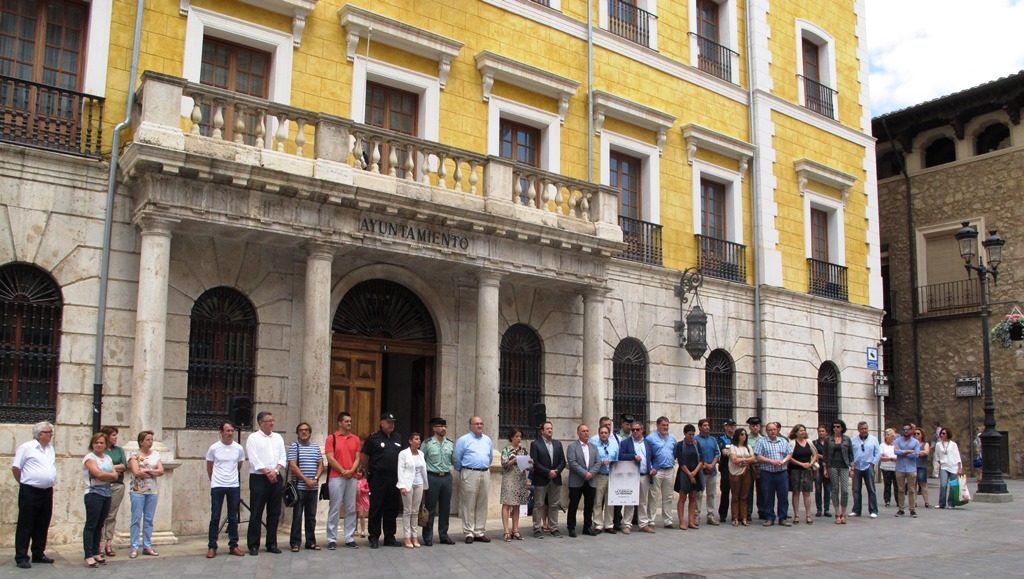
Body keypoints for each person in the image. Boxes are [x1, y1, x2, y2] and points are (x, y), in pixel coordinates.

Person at [11, 421, 57, 569]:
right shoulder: (27, 447)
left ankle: (38, 552)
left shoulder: (50, 448)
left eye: (51, 432)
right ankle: (21, 556)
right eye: (48, 432)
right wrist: (24, 482)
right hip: (30, 490)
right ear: (39, 434)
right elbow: (16, 468)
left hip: (46, 490)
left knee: (43, 522)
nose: (50, 435)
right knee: (26, 523)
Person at [361, 412, 405, 549]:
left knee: (391, 508)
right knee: (376, 508)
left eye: (393, 422)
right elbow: (364, 456)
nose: (391, 425)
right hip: (378, 477)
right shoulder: (373, 438)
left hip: (394, 478)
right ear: (382, 423)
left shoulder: (398, 437)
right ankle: (374, 537)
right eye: (388, 422)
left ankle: (389, 536)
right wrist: (367, 472)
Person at [245, 411, 287, 555]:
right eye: (269, 421)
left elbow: (282, 457)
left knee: (274, 512)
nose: (272, 423)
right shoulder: (253, 438)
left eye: (272, 420)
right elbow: (253, 458)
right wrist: (266, 471)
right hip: (259, 478)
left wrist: (275, 471)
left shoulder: (278, 437)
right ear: (261, 423)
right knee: (256, 512)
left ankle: (271, 543)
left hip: (275, 477)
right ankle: (253, 544)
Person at [206, 421, 246, 558]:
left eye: (231, 431)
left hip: (233, 485)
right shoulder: (214, 448)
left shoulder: (239, 448)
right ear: (221, 432)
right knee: (215, 516)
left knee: (233, 517)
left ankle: (233, 545)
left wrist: (231, 477)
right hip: (217, 485)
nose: (230, 433)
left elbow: (239, 465)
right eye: (227, 431)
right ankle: (212, 546)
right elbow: (209, 466)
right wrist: (214, 479)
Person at [325, 411, 362, 550]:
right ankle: (331, 538)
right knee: (334, 508)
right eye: (346, 421)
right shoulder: (332, 438)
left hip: (351, 477)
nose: (349, 423)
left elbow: (357, 457)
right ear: (340, 423)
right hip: (336, 477)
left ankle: (350, 537)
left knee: (351, 507)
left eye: (350, 421)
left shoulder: (355, 439)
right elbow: (330, 457)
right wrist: (342, 470)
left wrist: (351, 470)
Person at [454, 416, 494, 543]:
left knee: (482, 503)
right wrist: (464, 470)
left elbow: (491, 457)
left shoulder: (487, 440)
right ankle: (469, 532)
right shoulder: (463, 440)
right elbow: (456, 458)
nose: (479, 426)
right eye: (476, 424)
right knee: (468, 503)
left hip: (485, 472)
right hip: (469, 472)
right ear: (470, 425)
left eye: (481, 423)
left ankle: (479, 531)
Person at [82, 432, 117, 568]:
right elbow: (97, 474)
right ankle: (88, 554)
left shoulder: (108, 458)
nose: (99, 445)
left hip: (107, 493)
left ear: (105, 444)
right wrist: (108, 475)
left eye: (101, 442)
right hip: (94, 493)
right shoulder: (89, 458)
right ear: (92, 444)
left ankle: (97, 551)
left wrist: (105, 475)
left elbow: (115, 475)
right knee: (91, 524)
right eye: (96, 442)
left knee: (100, 524)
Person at [128, 430, 164, 558]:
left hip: (152, 490)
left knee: (149, 519)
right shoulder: (134, 455)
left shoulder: (155, 454)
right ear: (141, 441)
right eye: (148, 439)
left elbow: (161, 470)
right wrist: (152, 472)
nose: (150, 442)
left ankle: (147, 545)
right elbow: (136, 472)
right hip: (137, 490)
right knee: (136, 518)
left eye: (151, 439)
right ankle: (134, 546)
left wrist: (148, 470)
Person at [288, 421, 323, 551]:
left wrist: (315, 478)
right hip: (300, 488)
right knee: (297, 516)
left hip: (313, 488)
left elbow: (320, 464)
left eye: (307, 430)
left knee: (311, 517)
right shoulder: (294, 447)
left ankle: (311, 542)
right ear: (297, 433)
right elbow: (293, 465)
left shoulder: (315, 447)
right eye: (301, 430)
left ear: (310, 432)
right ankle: (295, 543)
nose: (304, 432)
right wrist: (305, 480)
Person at [420, 416, 455, 546]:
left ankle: (443, 535)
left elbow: (453, 460)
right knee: (430, 508)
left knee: (445, 508)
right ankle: (428, 536)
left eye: (445, 426)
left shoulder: (450, 444)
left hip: (446, 477)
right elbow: (421, 461)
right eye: (440, 426)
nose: (443, 429)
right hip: (432, 477)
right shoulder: (427, 443)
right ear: (434, 428)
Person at [617, 419, 655, 534]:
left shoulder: (648, 443)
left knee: (643, 501)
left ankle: (643, 523)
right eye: (633, 430)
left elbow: (652, 458)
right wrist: (633, 456)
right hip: (631, 475)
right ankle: (627, 524)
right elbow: (621, 456)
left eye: (637, 430)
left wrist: (653, 468)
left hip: (645, 475)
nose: (635, 432)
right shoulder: (625, 443)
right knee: (630, 500)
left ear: (642, 430)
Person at [530, 420, 566, 538]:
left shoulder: (558, 444)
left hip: (555, 478)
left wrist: (556, 471)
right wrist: (547, 472)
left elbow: (562, 461)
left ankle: (554, 528)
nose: (550, 430)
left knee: (554, 504)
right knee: (539, 504)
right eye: (547, 429)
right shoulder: (535, 444)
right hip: (541, 478)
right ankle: (537, 528)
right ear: (542, 431)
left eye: (551, 428)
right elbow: (535, 462)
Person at [565, 423, 601, 537]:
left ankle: (587, 527)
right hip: (577, 481)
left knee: (589, 505)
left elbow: (598, 462)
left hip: (591, 480)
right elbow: (572, 462)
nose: (586, 433)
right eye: (583, 431)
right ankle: (571, 527)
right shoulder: (572, 447)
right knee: (574, 505)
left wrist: (591, 473)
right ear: (578, 433)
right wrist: (584, 473)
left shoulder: (593, 447)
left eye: (587, 431)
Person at [755, 421, 792, 526]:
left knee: (783, 496)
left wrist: (783, 461)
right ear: (766, 431)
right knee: (768, 495)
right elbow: (758, 456)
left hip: (782, 472)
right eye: (770, 430)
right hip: (767, 472)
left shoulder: (783, 441)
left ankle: (782, 518)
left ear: (777, 430)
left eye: (774, 429)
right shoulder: (761, 441)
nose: (772, 431)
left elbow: (789, 453)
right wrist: (771, 461)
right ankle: (770, 517)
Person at [397, 432, 428, 548]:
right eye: (416, 439)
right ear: (410, 441)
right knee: (407, 511)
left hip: (419, 483)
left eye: (419, 439)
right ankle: (407, 536)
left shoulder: (421, 453)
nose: (418, 441)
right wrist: (402, 485)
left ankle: (415, 536)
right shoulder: (403, 454)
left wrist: (425, 485)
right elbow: (400, 470)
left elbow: (423, 470)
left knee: (415, 511)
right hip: (407, 484)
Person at [100, 425, 127, 558]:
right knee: (101, 515)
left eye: (116, 435)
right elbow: (98, 467)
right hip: (103, 485)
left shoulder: (119, 450)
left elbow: (124, 466)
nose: (116, 438)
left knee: (111, 515)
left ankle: (108, 543)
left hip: (117, 485)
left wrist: (108, 468)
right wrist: (113, 468)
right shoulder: (101, 451)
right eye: (113, 435)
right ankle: (98, 543)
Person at [646, 416, 678, 529]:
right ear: (658, 425)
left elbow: (674, 452)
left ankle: (668, 520)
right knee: (653, 496)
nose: (665, 427)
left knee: (668, 496)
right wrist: (651, 468)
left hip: (669, 470)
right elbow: (647, 454)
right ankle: (651, 520)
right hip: (657, 471)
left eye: (667, 425)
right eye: (663, 425)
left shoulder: (673, 438)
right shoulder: (650, 438)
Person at [499, 428, 530, 542]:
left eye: (520, 436)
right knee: (507, 504)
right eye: (517, 436)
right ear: (511, 437)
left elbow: (529, 464)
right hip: (509, 478)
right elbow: (504, 464)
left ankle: (515, 530)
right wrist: (514, 460)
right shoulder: (506, 450)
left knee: (517, 504)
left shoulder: (524, 450)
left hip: (520, 479)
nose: (519, 439)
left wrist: (528, 462)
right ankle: (506, 531)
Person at [674, 424, 704, 530]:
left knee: (693, 497)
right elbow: (681, 461)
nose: (691, 436)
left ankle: (691, 521)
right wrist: (689, 474)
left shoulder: (697, 444)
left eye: (693, 434)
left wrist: (694, 472)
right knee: (682, 498)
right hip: (684, 473)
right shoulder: (680, 445)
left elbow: (701, 460)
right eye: (689, 434)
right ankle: (682, 521)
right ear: (685, 434)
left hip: (696, 473)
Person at [787, 424, 818, 525]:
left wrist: (811, 463)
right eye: (801, 431)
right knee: (796, 493)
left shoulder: (809, 442)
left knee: (807, 493)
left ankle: (808, 515)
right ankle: (796, 515)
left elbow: (815, 454)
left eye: (804, 430)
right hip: (795, 470)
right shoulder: (792, 443)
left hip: (807, 471)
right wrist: (801, 464)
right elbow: (789, 457)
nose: (803, 432)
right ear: (796, 433)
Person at [825, 420, 853, 524]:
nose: (835, 428)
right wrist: (825, 468)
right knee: (835, 489)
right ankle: (837, 513)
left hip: (844, 466)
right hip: (832, 466)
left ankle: (843, 513)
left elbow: (851, 454)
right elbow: (825, 455)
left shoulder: (847, 439)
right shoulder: (828, 439)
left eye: (838, 427)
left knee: (845, 490)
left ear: (842, 428)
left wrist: (852, 467)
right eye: (834, 427)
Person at [850, 421, 880, 519]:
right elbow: (850, 454)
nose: (864, 430)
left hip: (868, 466)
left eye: (865, 428)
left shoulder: (873, 439)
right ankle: (856, 510)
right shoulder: (853, 440)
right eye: (862, 429)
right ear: (858, 429)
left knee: (871, 489)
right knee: (856, 489)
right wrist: (852, 466)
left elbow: (877, 452)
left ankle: (873, 510)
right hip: (857, 466)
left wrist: (873, 463)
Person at [592, 422, 618, 533]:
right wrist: (600, 463)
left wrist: (613, 462)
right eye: (601, 433)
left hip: (611, 476)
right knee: (598, 501)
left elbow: (618, 459)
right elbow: (591, 461)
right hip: (599, 475)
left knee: (610, 501)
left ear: (608, 434)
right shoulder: (594, 446)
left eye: (605, 433)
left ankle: (609, 524)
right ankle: (598, 524)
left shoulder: (614, 445)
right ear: (599, 434)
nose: (603, 434)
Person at [611, 413, 635, 531]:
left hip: (632, 470)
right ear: (622, 424)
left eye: (630, 424)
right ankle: (617, 520)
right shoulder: (616, 437)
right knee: (618, 497)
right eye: (627, 424)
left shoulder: (634, 436)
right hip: (619, 470)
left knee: (632, 495)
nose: (629, 427)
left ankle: (631, 520)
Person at [695, 418, 721, 526]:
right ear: (700, 427)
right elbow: (696, 455)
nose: (707, 427)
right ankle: (696, 516)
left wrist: (713, 464)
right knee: (699, 494)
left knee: (711, 494)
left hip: (712, 471)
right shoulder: (696, 440)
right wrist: (705, 464)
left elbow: (717, 453)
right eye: (705, 425)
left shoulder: (713, 440)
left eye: (708, 425)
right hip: (701, 471)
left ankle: (710, 515)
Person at [893, 422, 921, 518]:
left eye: (907, 429)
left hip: (911, 468)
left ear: (911, 431)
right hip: (900, 468)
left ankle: (912, 509)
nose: (905, 431)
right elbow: (895, 451)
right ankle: (901, 509)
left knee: (912, 490)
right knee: (900, 489)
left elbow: (916, 454)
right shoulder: (898, 440)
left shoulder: (915, 442)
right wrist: (907, 451)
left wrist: (903, 453)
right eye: (904, 429)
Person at [728, 428, 755, 526]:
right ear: (737, 436)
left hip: (746, 472)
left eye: (745, 434)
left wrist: (743, 460)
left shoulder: (748, 447)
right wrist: (745, 459)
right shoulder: (732, 447)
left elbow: (753, 458)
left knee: (744, 495)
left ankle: (744, 517)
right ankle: (735, 517)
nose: (744, 436)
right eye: (742, 434)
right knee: (735, 495)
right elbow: (734, 459)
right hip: (735, 472)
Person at [933, 427, 963, 509]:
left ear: (947, 434)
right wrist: (940, 463)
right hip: (944, 467)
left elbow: (957, 456)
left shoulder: (953, 444)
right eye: (941, 433)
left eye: (944, 433)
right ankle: (941, 503)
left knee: (953, 485)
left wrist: (960, 468)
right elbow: (937, 456)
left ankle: (951, 503)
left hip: (953, 466)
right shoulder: (938, 445)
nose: (942, 435)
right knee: (943, 485)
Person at [716, 419, 737, 524]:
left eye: (733, 426)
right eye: (729, 426)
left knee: (737, 493)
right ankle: (723, 515)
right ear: (725, 427)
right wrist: (736, 453)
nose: (731, 428)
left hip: (737, 469)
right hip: (726, 469)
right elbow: (724, 452)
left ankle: (736, 515)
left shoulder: (738, 438)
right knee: (725, 492)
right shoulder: (721, 438)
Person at [745, 416, 765, 521]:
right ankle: (748, 512)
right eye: (753, 426)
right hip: (749, 466)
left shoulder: (763, 439)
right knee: (748, 490)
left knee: (761, 489)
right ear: (750, 427)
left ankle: (762, 511)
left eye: (757, 425)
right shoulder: (746, 439)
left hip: (760, 466)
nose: (755, 428)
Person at [813, 425, 832, 517]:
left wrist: (820, 456)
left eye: (822, 431)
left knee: (827, 489)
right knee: (818, 489)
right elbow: (813, 454)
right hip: (818, 468)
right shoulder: (814, 443)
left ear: (826, 432)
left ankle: (827, 509)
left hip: (828, 468)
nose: (821, 433)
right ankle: (819, 509)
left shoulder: (830, 443)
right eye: (819, 431)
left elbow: (831, 455)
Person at [879, 428, 897, 508]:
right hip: (885, 467)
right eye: (887, 435)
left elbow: (899, 456)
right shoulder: (882, 445)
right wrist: (890, 458)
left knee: (897, 485)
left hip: (896, 468)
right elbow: (881, 457)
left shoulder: (897, 445)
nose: (889, 436)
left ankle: (899, 501)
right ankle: (887, 500)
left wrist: (888, 457)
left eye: (890, 435)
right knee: (887, 484)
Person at [914, 427, 932, 508]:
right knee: (913, 484)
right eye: (915, 434)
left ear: (922, 435)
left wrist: (916, 452)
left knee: (923, 484)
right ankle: (914, 501)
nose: (916, 435)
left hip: (922, 466)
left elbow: (926, 452)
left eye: (918, 433)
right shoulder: (913, 443)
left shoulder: (925, 444)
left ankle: (926, 501)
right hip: (913, 466)